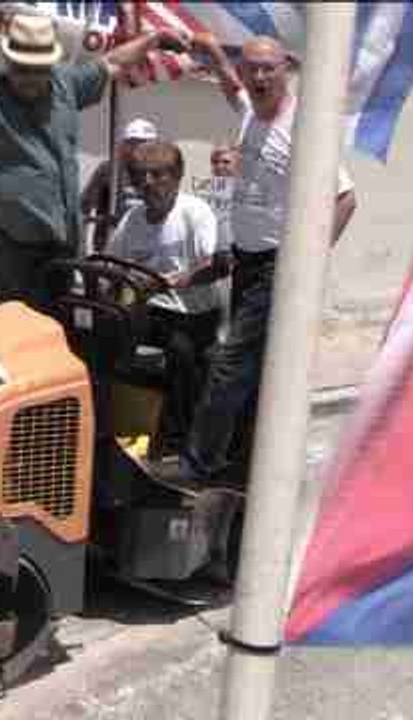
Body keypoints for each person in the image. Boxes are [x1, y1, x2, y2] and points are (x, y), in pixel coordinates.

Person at [0, 2, 189, 314]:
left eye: (38, 69)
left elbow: (113, 62)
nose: (30, 77)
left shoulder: (66, 84)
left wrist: (153, 40)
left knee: (57, 328)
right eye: (22, 68)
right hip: (8, 250)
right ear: (9, 60)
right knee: (20, 330)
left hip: (61, 246)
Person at [177, 33, 358, 486]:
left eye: (268, 69)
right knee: (255, 369)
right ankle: (247, 462)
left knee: (229, 361)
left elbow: (345, 198)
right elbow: (231, 89)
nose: (259, 77)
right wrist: (214, 55)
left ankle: (198, 465)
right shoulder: (250, 113)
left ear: (286, 72)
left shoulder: (301, 131)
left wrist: (307, 265)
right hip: (247, 261)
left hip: (278, 265)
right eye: (251, 68)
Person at [107, 141, 230, 450]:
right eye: (140, 175)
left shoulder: (195, 212)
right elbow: (111, 264)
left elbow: (216, 265)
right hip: (151, 310)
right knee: (102, 338)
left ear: (176, 177)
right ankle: (116, 426)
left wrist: (173, 282)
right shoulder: (132, 219)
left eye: (157, 174)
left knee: (181, 351)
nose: (147, 183)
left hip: (193, 314)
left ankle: (178, 441)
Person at [81, 117, 159, 253]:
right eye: (136, 143)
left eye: (148, 143)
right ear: (125, 145)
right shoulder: (109, 170)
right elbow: (83, 210)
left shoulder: (158, 173)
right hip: (110, 250)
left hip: (145, 251)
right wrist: (82, 250)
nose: (143, 148)